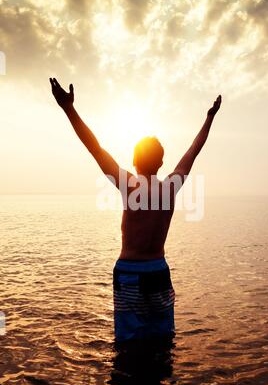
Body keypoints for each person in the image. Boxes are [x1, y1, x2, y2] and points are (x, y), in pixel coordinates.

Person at [49, 78, 222, 342]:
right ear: (162, 162)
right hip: (158, 270)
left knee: (128, 344)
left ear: (134, 160)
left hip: (129, 272)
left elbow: (95, 149)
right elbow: (193, 151)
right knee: (162, 340)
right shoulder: (170, 186)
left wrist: (68, 109)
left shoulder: (128, 184)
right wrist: (209, 118)